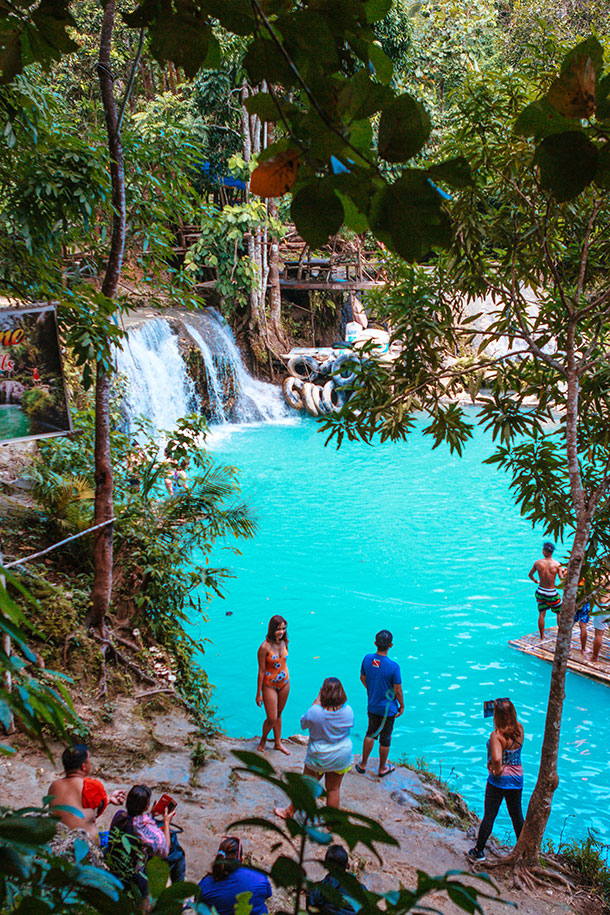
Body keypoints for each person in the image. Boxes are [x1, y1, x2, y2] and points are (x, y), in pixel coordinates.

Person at [274, 677, 354, 819]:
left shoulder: (315, 712)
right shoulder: (348, 711)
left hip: (320, 756)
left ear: (323, 693)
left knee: (305, 787)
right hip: (342, 755)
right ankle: (331, 823)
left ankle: (289, 812)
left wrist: (316, 701)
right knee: (333, 789)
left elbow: (303, 723)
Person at [468, 698, 524, 863]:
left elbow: (498, 759)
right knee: (517, 815)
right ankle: (523, 851)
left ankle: (478, 851)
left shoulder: (496, 736)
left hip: (499, 780)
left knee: (490, 815)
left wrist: (496, 770)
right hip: (517, 778)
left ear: (497, 716)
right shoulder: (520, 729)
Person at [106, 785, 185, 890]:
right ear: (146, 806)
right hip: (136, 874)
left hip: (118, 862)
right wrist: (166, 822)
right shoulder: (142, 830)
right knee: (178, 856)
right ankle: (177, 893)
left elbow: (134, 818)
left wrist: (151, 815)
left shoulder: (119, 816)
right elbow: (165, 850)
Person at [48, 744, 125, 839]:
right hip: (86, 846)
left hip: (58, 843)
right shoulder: (91, 786)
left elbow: (78, 810)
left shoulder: (54, 786)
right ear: (83, 766)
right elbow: (94, 812)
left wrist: (109, 799)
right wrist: (107, 799)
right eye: (89, 760)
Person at [356, 630, 404, 777]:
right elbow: (398, 691)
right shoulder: (393, 667)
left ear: (375, 643)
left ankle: (363, 764)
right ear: (391, 645)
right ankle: (382, 768)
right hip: (388, 709)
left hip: (373, 705)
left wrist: (372, 690)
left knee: (370, 733)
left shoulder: (367, 659)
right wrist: (402, 705)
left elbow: (362, 678)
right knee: (385, 737)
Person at [198, 836, 272, 915]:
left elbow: (197, 902)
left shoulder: (205, 885)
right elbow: (268, 894)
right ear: (241, 859)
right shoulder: (260, 877)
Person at [256, 615, 291, 755]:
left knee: (279, 714)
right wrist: (258, 693)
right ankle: (263, 739)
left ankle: (278, 743)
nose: (281, 632)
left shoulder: (285, 642)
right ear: (272, 630)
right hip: (269, 685)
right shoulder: (264, 647)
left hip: (284, 683)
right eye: (278, 629)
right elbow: (261, 671)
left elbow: (283, 662)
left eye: (283, 629)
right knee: (271, 717)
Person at [306, 844, 366, 915]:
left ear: (326, 865)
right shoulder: (362, 891)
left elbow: (310, 910)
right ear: (348, 865)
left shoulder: (316, 891)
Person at [529, 542, 564, 640]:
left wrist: (536, 581)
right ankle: (561, 634)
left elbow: (530, 575)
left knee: (541, 614)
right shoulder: (557, 564)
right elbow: (562, 579)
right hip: (551, 592)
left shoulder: (538, 563)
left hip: (541, 592)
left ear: (544, 552)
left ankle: (542, 636)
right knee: (559, 613)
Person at [591, 584, 610, 664]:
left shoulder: (603, 578)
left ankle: (595, 658)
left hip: (602, 607)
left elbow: (593, 593)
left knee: (598, 634)